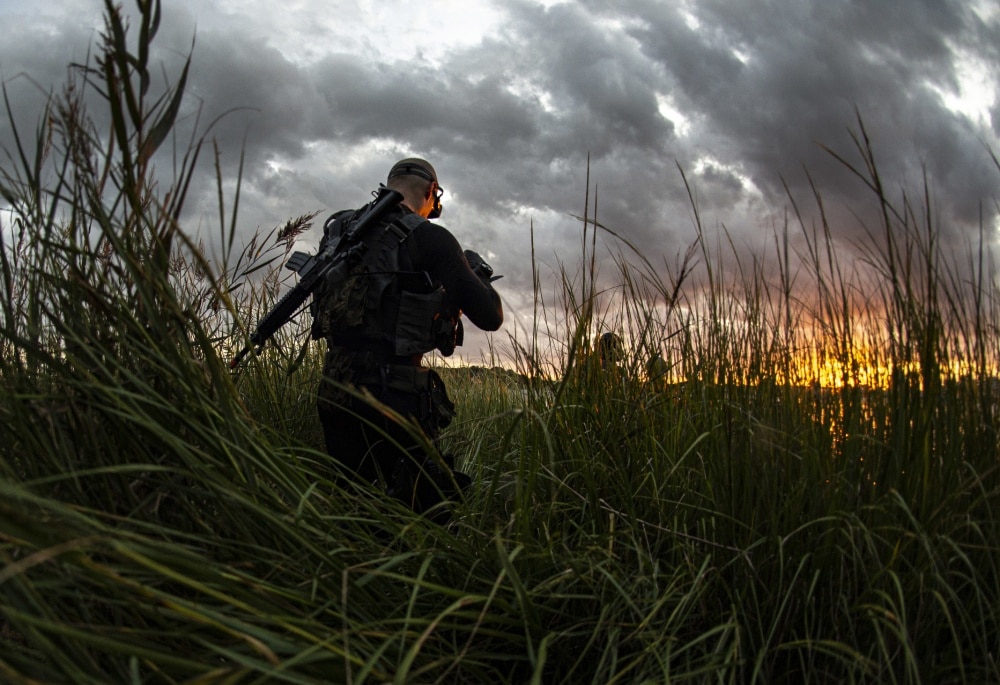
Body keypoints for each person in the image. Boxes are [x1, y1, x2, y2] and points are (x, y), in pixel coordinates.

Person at [310, 158, 503, 520]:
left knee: (352, 508)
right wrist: (479, 274)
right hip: (394, 396)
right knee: (431, 515)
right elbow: (490, 317)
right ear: (432, 192)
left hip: (334, 388)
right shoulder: (429, 237)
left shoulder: (340, 231)